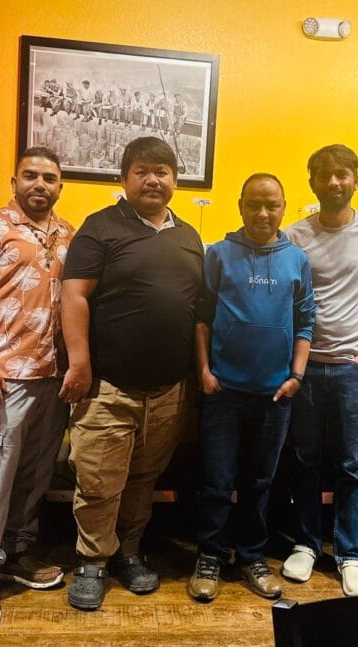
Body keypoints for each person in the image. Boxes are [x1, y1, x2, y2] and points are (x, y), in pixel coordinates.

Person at [60, 136, 204, 611]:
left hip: (168, 391)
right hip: (108, 387)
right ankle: (92, 561)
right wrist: (80, 362)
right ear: (124, 178)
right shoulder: (100, 227)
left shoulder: (189, 236)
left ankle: (129, 551)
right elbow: (74, 296)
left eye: (162, 171)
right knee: (99, 482)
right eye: (142, 171)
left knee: (143, 478)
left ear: (175, 180)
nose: (153, 180)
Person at [0, 146, 74, 625]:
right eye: (31, 175)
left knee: (36, 473)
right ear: (14, 181)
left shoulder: (68, 234)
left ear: (60, 186)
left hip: (53, 377)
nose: (39, 184)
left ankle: (18, 554)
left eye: (49, 177)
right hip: (3, 378)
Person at [188, 173, 316, 602]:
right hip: (223, 392)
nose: (263, 213)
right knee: (216, 482)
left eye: (272, 205)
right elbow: (202, 317)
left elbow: (306, 321)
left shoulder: (296, 259)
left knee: (260, 481)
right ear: (240, 206)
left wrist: (296, 376)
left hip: (275, 396)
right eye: (254, 204)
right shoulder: (219, 254)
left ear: (284, 208)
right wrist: (204, 371)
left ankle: (251, 556)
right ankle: (209, 555)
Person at [282, 144, 358, 597]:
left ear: (356, 180)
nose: (334, 182)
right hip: (305, 369)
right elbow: (287, 302)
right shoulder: (293, 236)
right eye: (325, 175)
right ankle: (306, 544)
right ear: (311, 182)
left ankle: (351, 554)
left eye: (343, 174)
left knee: (352, 464)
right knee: (304, 460)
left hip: (353, 368)